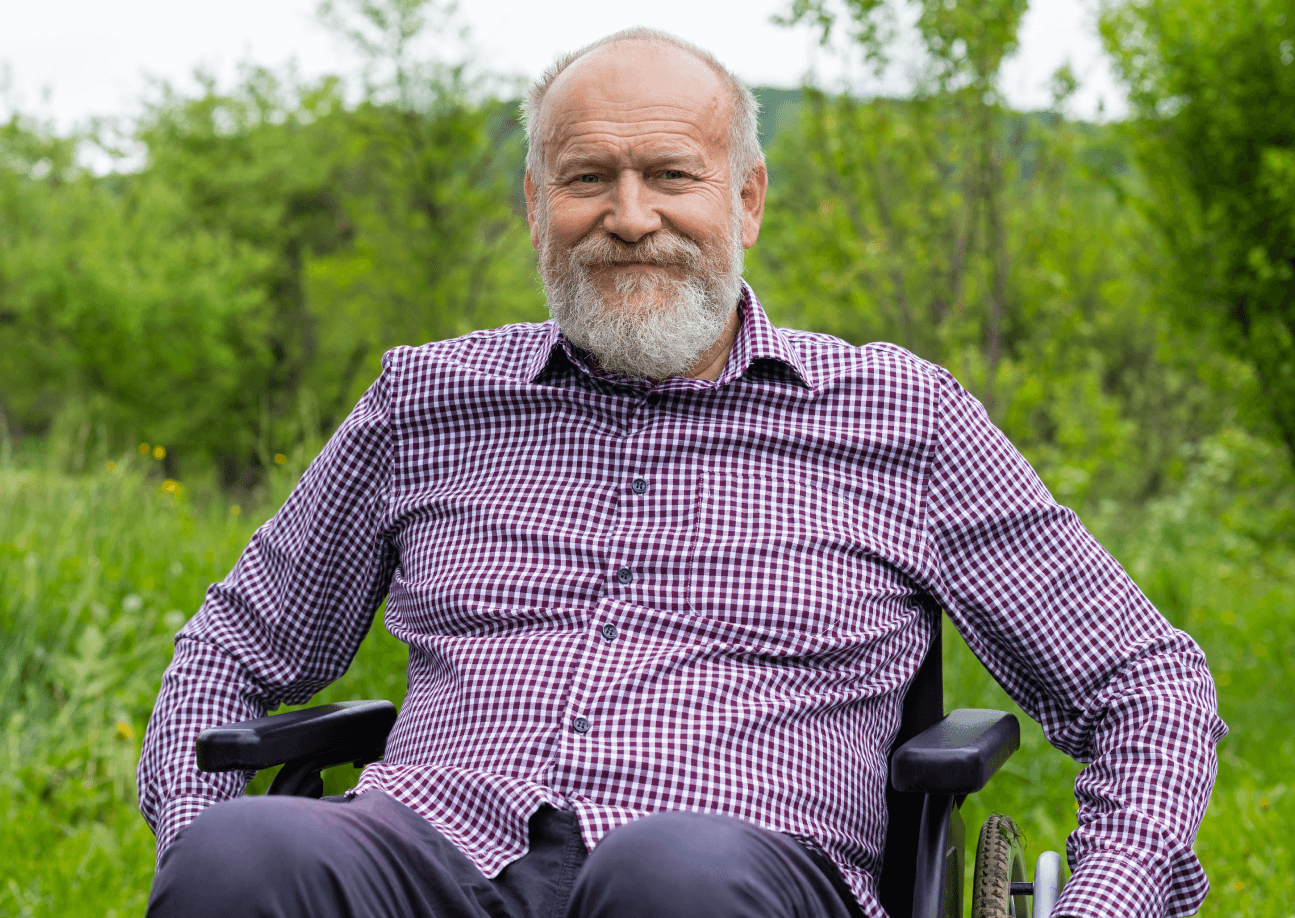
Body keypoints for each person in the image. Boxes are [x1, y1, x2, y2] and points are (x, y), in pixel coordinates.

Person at [139, 27, 1225, 918]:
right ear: (534, 208)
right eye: (585, 179)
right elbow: (231, 649)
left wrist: (1103, 904)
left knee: (670, 878)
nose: (629, 217)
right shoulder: (426, 401)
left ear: (745, 201)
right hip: (429, 849)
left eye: (670, 175)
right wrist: (190, 833)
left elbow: (1146, 685)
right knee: (245, 857)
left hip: (732, 871)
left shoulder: (901, 417)